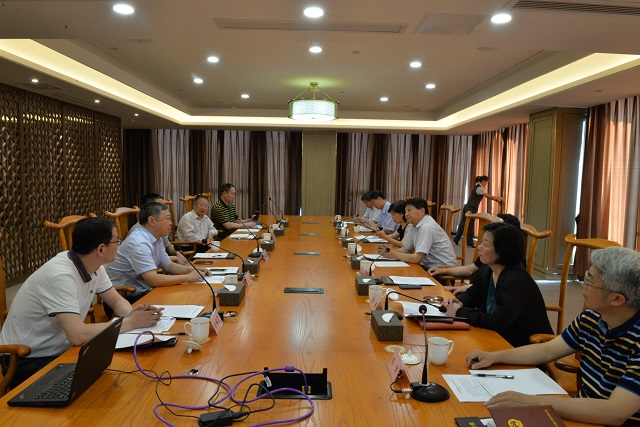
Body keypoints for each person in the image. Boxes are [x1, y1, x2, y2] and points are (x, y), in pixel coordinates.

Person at [466, 246, 640, 426]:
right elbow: (547, 350)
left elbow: (615, 412)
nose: (583, 285)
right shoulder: (592, 318)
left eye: (589, 281)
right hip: (584, 415)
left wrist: (533, 402)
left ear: (616, 299)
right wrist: (495, 356)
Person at [0, 217, 162, 389]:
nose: (119, 245)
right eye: (117, 241)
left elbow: (116, 301)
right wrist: (130, 323)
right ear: (101, 249)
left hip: (61, 349)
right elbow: (77, 335)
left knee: (117, 374)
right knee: (104, 386)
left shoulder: (94, 265)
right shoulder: (60, 276)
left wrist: (134, 314)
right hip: (28, 359)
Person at [443, 222, 552, 347]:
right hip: (498, 338)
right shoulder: (488, 270)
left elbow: (498, 322)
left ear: (502, 251)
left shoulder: (515, 281)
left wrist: (459, 312)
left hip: (526, 346)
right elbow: (474, 294)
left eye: (486, 244)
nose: (479, 247)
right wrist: (459, 301)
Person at [106, 202, 208, 303]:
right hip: (125, 297)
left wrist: (194, 270)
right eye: (167, 219)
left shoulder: (156, 238)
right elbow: (153, 280)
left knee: (192, 295)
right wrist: (188, 277)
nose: (171, 223)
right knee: (187, 298)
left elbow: (169, 266)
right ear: (152, 221)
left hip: (144, 291)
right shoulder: (139, 243)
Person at [430, 213, 522, 295]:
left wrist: (467, 288)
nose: (490, 229)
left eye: (495, 227)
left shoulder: (513, 270)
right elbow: (471, 269)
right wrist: (443, 271)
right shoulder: (489, 256)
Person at [377, 197, 456, 270]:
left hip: (442, 270)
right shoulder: (413, 225)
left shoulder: (427, 227)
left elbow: (418, 258)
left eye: (409, 210)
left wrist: (394, 254)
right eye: (405, 211)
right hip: (427, 266)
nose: (406, 214)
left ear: (422, 211)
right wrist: (387, 251)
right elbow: (406, 249)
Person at [128, 193, 188, 266]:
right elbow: (152, 267)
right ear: (150, 208)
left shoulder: (157, 231)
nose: (171, 223)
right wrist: (174, 259)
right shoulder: (138, 235)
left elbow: (167, 248)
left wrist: (177, 253)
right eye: (160, 206)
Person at [453, 175, 503, 247]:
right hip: (471, 208)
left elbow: (489, 197)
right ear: (483, 181)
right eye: (486, 182)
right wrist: (500, 198)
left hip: (467, 206)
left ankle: (456, 239)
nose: (486, 184)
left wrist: (497, 200)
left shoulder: (477, 187)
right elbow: (489, 196)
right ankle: (470, 243)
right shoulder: (479, 188)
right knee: (470, 225)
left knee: (463, 224)